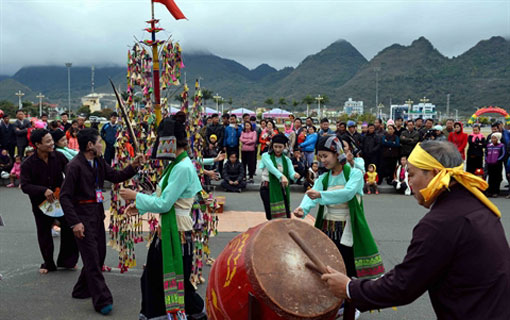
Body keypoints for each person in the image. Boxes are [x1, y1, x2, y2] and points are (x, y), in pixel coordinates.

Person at [320, 140, 510, 319]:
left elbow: (403, 285)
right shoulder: (475, 204)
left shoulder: (440, 222)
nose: (409, 181)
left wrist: (349, 288)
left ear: (435, 173)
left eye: (411, 174)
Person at [119, 119, 206, 320]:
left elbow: (165, 204)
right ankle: (162, 314)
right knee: (156, 277)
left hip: (177, 230)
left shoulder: (182, 167)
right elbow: (162, 199)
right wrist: (139, 206)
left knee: (169, 280)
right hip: (168, 229)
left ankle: (194, 313)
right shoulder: (175, 165)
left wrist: (136, 196)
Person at [59, 128, 142, 315]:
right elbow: (64, 197)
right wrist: (75, 223)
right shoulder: (74, 166)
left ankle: (82, 289)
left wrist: (133, 166)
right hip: (82, 217)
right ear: (90, 145)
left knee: (99, 255)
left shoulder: (98, 161)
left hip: (96, 215)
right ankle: (102, 299)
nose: (101, 145)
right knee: (92, 259)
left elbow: (115, 176)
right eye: (99, 142)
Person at [294, 135, 384, 281]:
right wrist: (302, 209)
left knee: (346, 266)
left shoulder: (355, 174)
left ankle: (349, 298)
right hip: (328, 227)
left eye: (325, 156)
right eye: (320, 157)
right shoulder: (323, 178)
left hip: (348, 228)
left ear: (337, 154)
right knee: (328, 263)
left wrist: (320, 195)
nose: (322, 160)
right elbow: (311, 194)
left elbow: (347, 193)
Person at [20, 129, 79, 274]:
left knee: (69, 227)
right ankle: (48, 263)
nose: (52, 143)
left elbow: (69, 172)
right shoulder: (28, 164)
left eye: (52, 140)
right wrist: (43, 190)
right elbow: (25, 186)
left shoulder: (58, 156)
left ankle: (67, 261)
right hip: (40, 204)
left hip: (60, 201)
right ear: (37, 145)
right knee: (44, 233)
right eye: (48, 141)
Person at [259, 134, 300, 220]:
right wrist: (281, 176)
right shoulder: (265, 156)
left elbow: (291, 173)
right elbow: (271, 168)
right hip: (267, 188)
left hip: (281, 188)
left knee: (285, 214)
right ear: (272, 145)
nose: (277, 149)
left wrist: (295, 175)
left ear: (285, 147)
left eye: (280, 147)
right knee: (270, 215)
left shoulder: (287, 160)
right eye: (275, 146)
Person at [485, 132, 505, 197]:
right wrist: (486, 159)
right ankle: (490, 191)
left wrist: (498, 160)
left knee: (497, 178)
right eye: (492, 138)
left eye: (494, 138)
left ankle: (496, 192)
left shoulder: (501, 146)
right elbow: (486, 153)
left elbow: (503, 154)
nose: (493, 139)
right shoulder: (489, 146)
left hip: (497, 164)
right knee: (491, 178)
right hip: (490, 164)